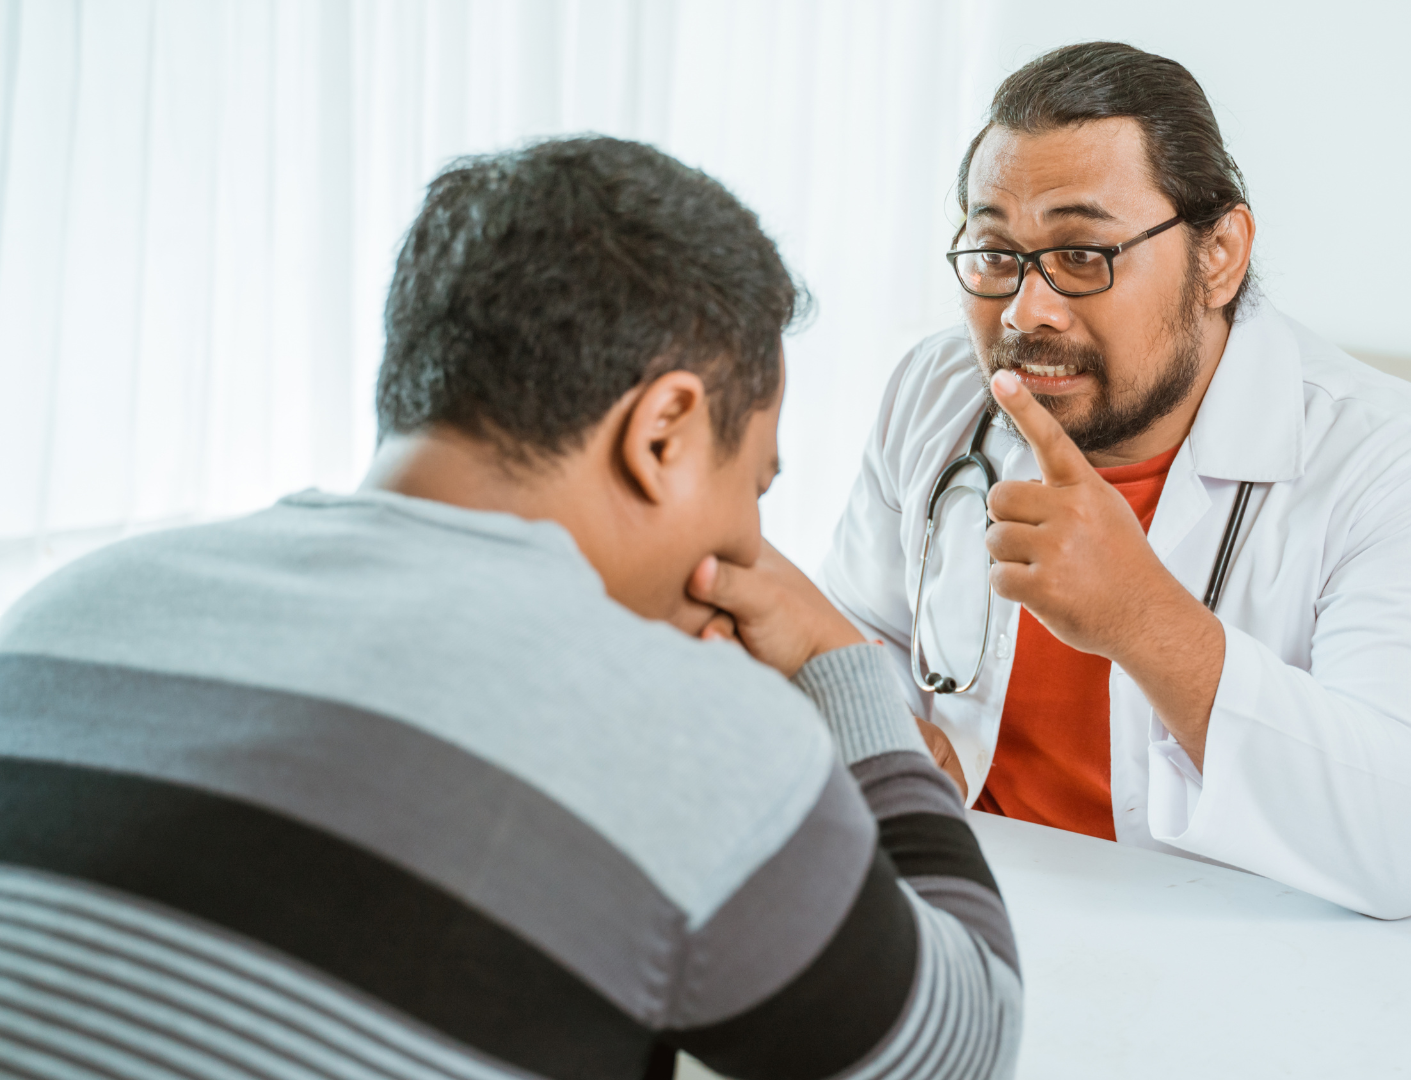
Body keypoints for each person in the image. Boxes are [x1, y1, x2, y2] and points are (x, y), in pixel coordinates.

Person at [0, 137, 1019, 1080]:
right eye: (752, 483)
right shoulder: (688, 735)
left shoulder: (61, 615)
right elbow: (958, 1045)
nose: (751, 544)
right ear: (662, 432)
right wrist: (842, 664)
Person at [815, 43, 1411, 921]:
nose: (1028, 311)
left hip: (1233, 945)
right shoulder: (939, 390)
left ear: (1219, 252)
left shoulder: (1402, 469)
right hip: (964, 895)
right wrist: (887, 735)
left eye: (1083, 253)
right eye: (996, 253)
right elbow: (860, 629)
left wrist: (1143, 619)